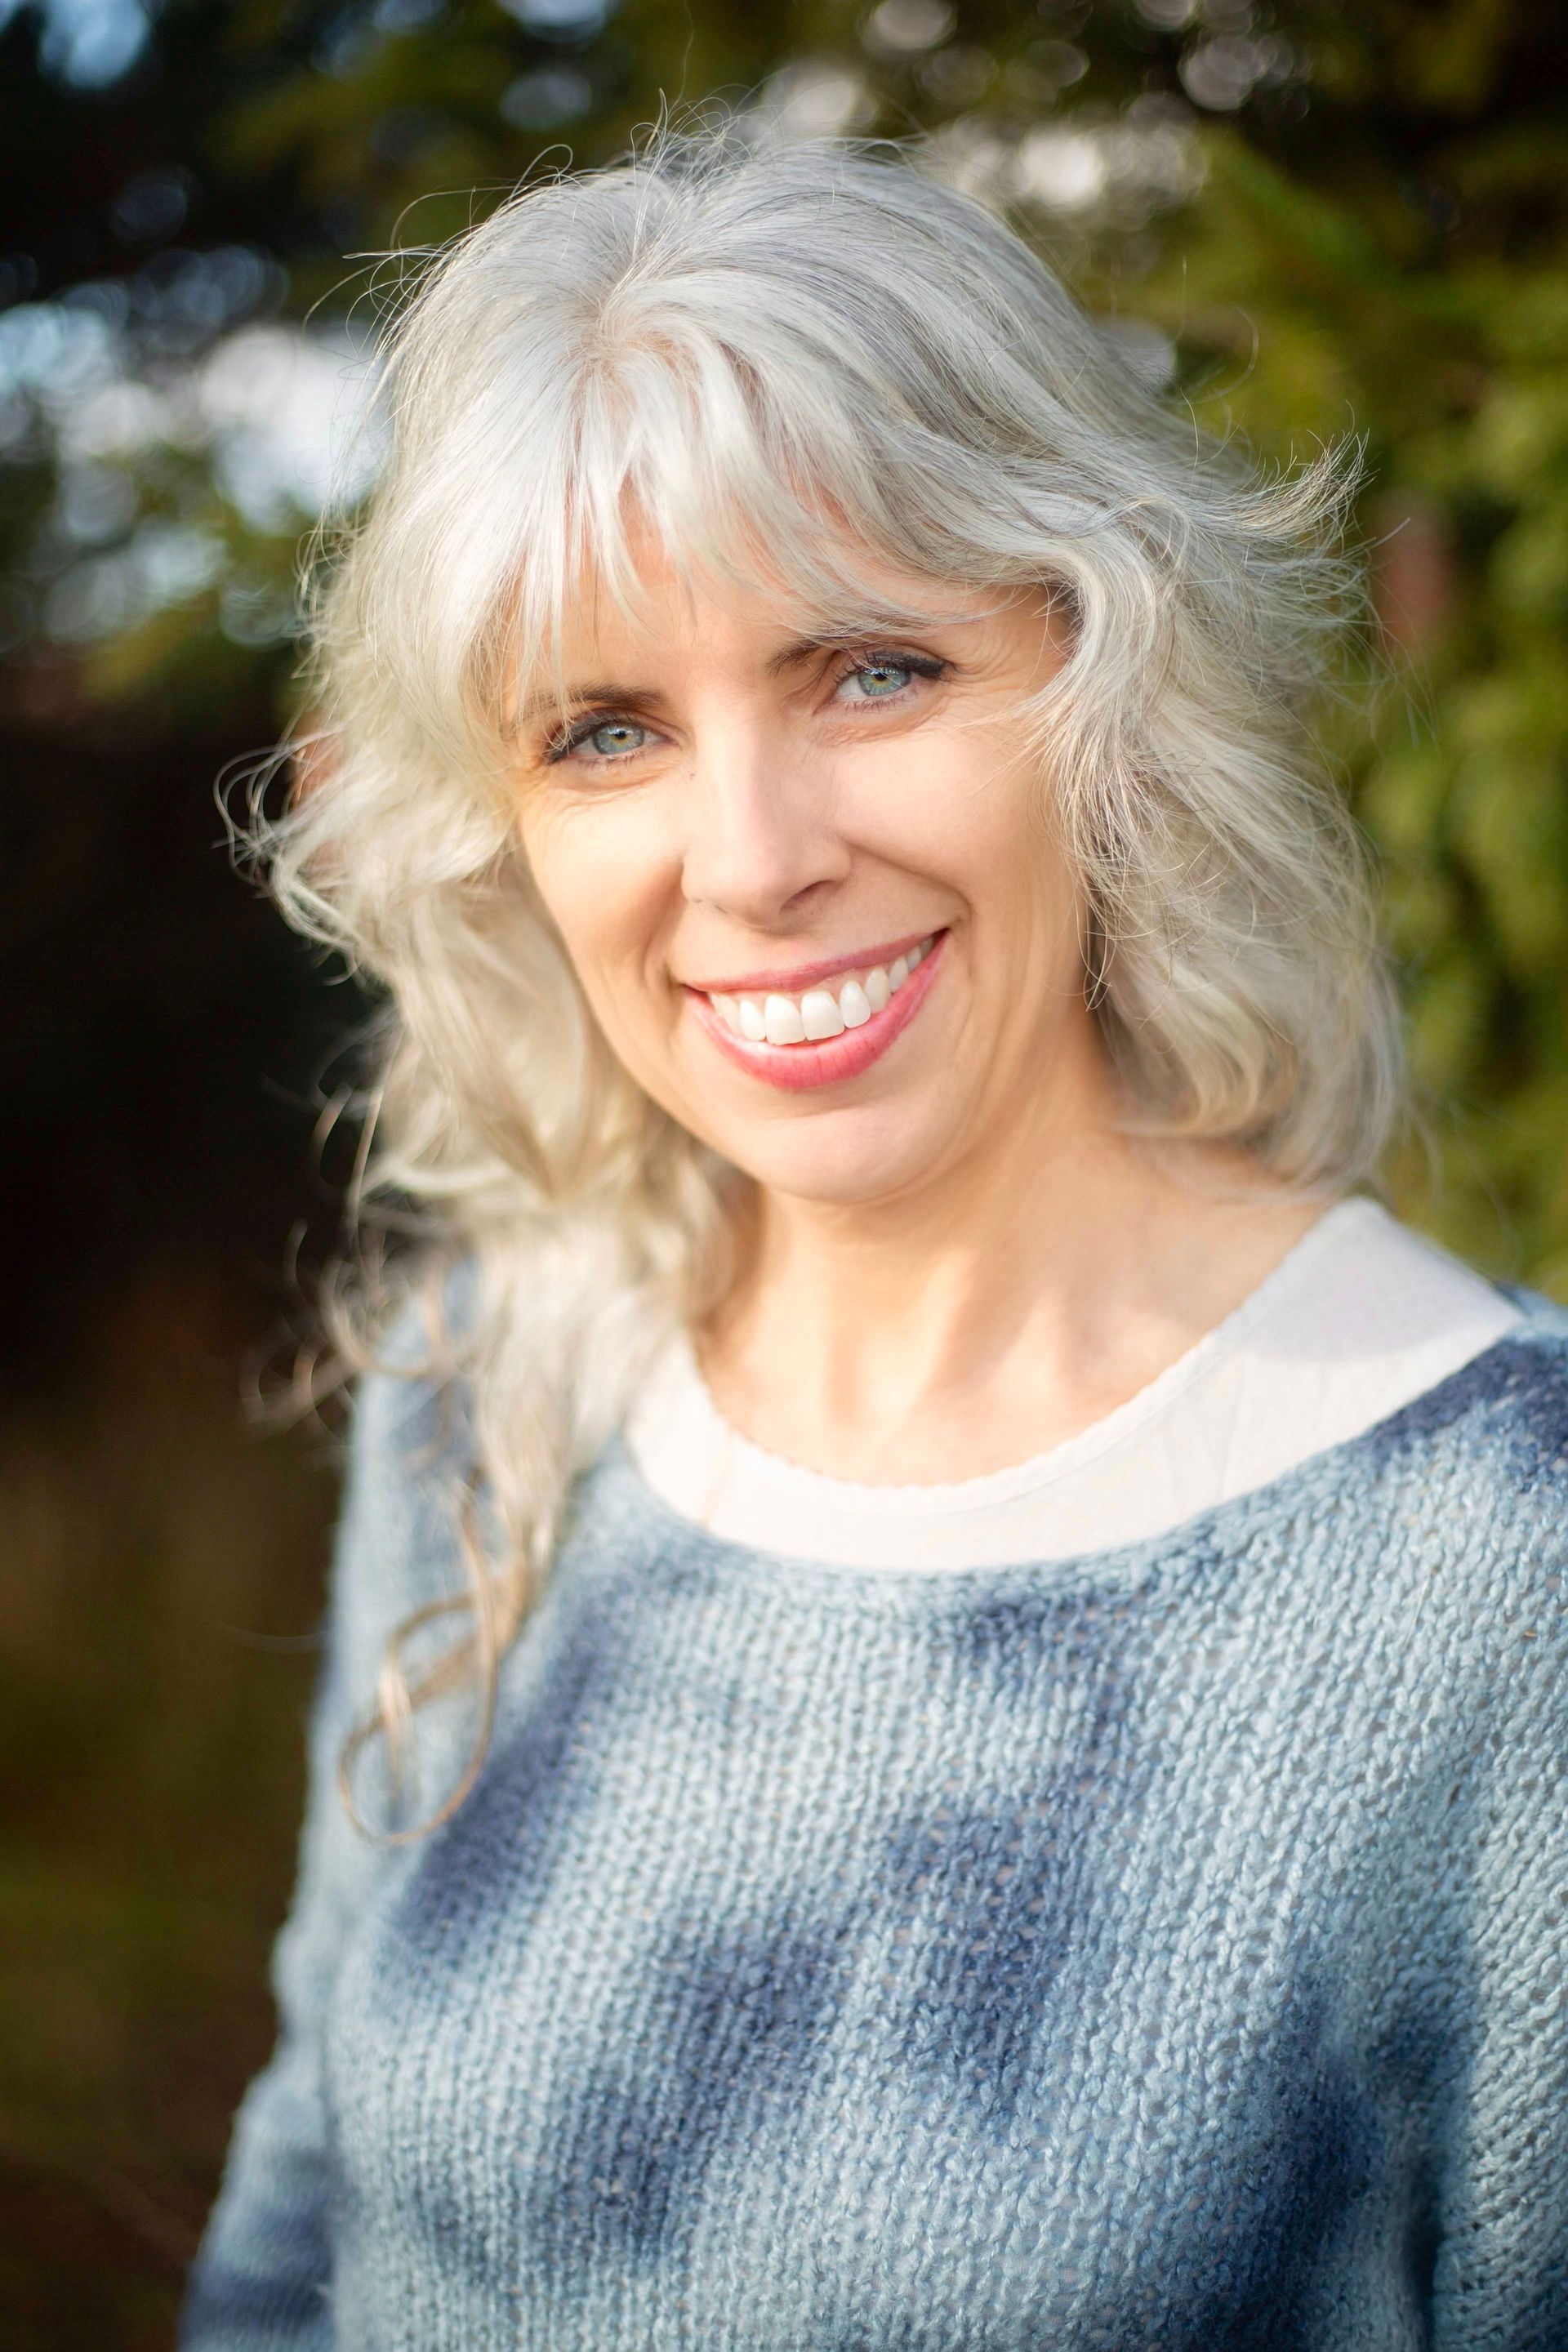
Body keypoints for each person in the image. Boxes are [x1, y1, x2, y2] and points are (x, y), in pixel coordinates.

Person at [180, 127, 1568, 2350]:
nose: (751, 857)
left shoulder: (1506, 1555)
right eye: (609, 728)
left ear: (1108, 686)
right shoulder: (499, 1384)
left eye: (872, 672)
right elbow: (305, 2201)